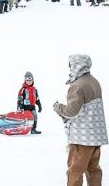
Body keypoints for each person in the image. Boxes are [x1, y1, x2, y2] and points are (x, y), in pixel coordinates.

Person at [53, 54, 108, 186]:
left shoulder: (77, 85)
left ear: (75, 65)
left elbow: (72, 111)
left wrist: (58, 107)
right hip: (95, 137)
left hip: (82, 139)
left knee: (75, 171)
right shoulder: (94, 82)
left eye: (70, 65)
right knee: (93, 169)